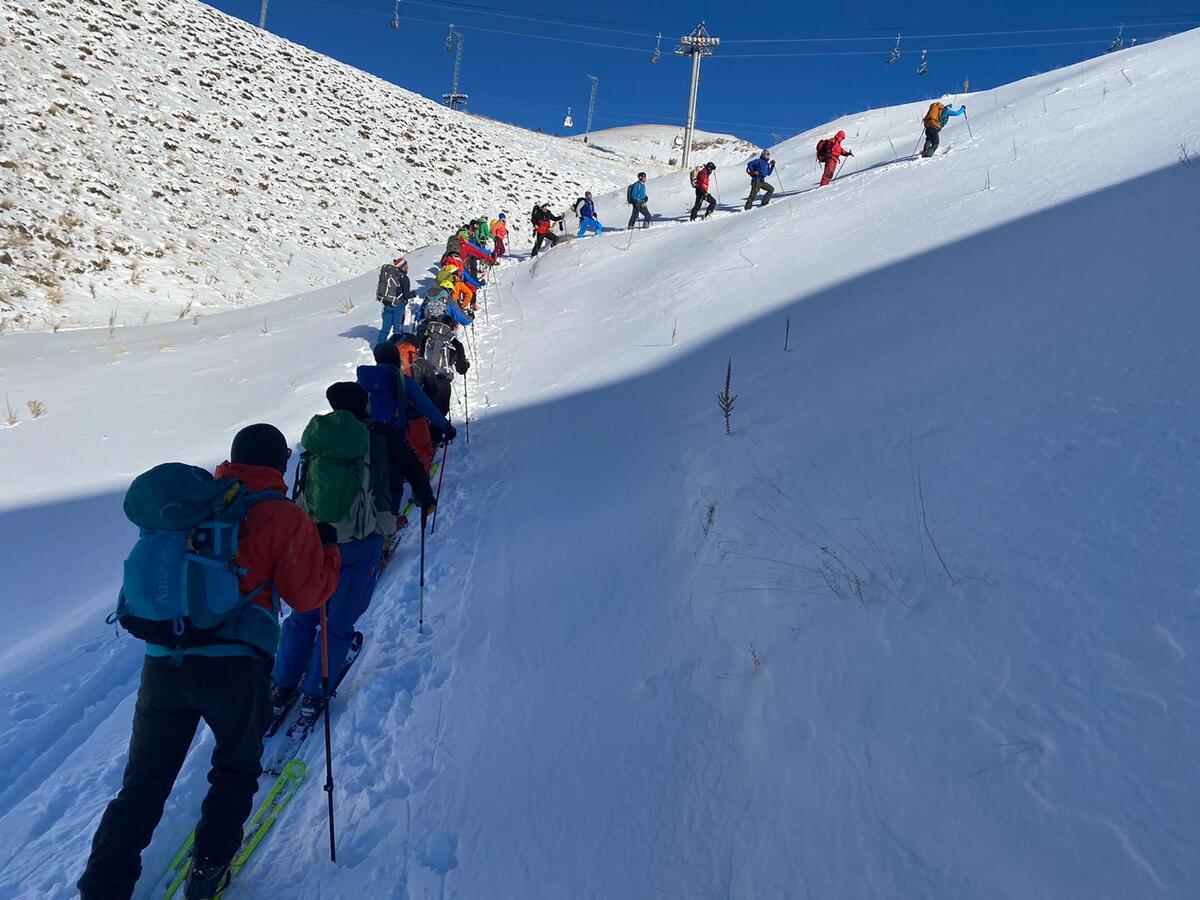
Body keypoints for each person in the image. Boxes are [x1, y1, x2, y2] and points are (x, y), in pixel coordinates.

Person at [78, 424, 341, 900]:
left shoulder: (196, 504)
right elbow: (305, 597)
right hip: (233, 668)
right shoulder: (282, 515)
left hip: (163, 662)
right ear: (281, 464)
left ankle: (101, 888)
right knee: (236, 770)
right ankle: (207, 872)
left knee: (142, 787)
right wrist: (329, 555)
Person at [271, 384, 397, 728]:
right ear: (363, 405)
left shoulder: (315, 439)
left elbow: (300, 487)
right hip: (359, 541)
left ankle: (280, 685)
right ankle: (315, 691)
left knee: (303, 615)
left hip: (314, 540)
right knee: (338, 622)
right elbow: (383, 489)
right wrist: (386, 526)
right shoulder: (373, 437)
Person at [376, 257, 410, 345]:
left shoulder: (390, 276)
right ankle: (396, 349)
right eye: (406, 266)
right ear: (402, 267)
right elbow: (406, 295)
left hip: (387, 304)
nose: (408, 267)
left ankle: (379, 348)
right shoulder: (404, 278)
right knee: (397, 330)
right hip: (398, 306)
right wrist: (413, 294)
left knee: (384, 330)